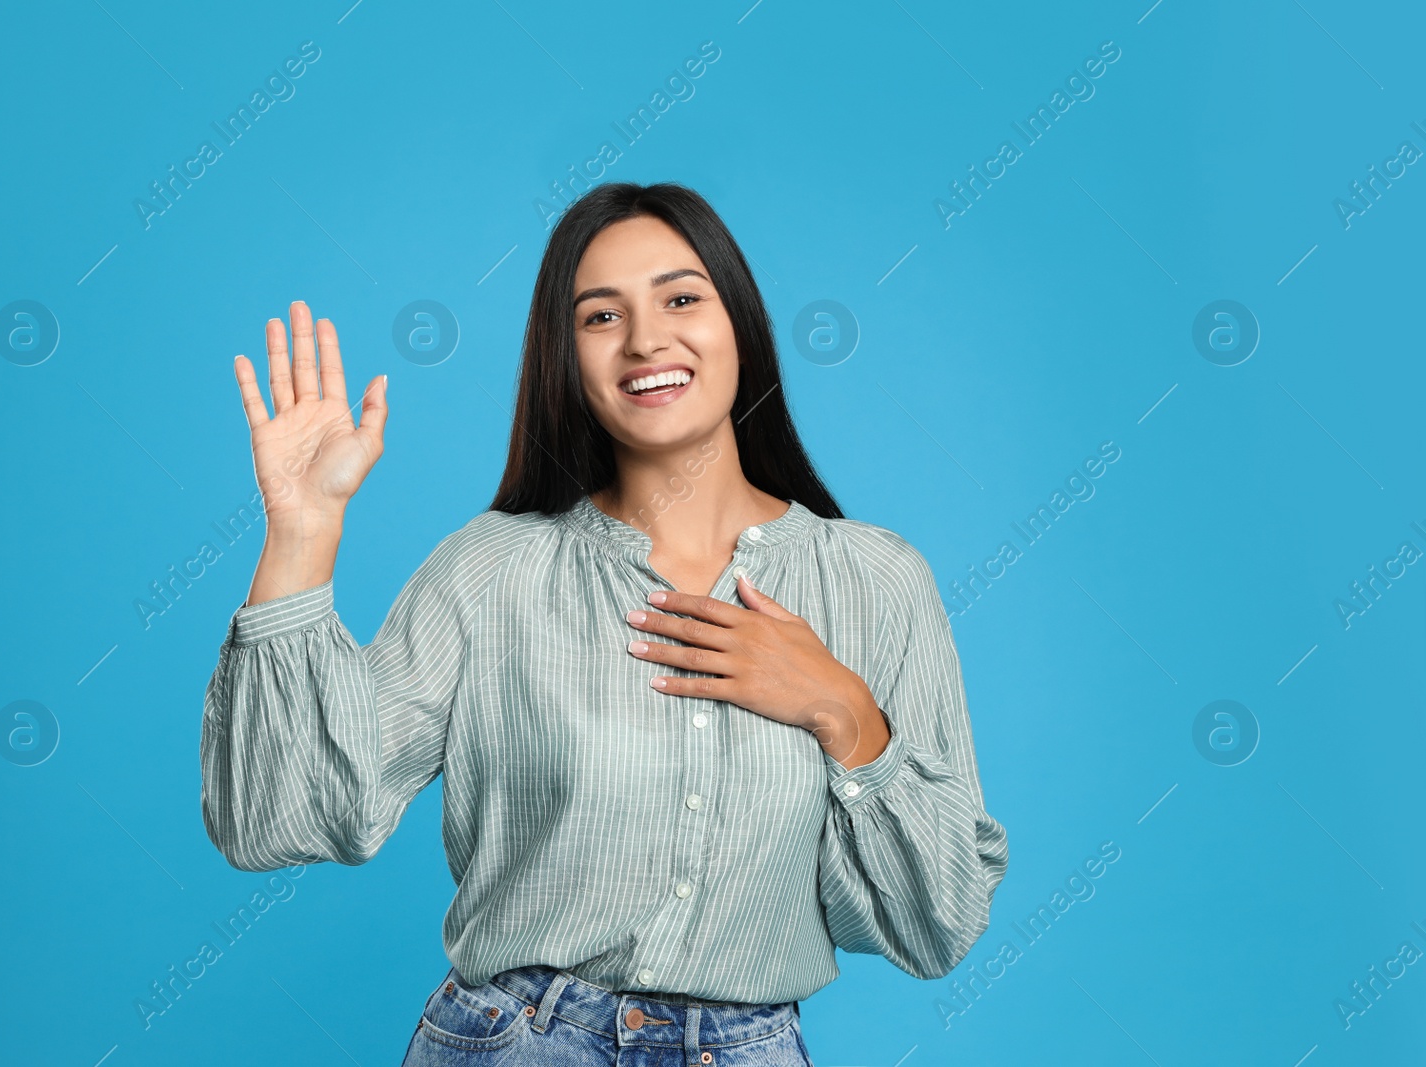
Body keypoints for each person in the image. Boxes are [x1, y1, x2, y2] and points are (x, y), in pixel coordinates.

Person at [200, 182, 1008, 1065]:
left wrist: (845, 713)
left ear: (739, 322)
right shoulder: (491, 570)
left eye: (681, 297)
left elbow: (939, 924)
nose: (645, 339)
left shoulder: (878, 583)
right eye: (599, 316)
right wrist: (302, 532)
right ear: (566, 357)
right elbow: (281, 818)